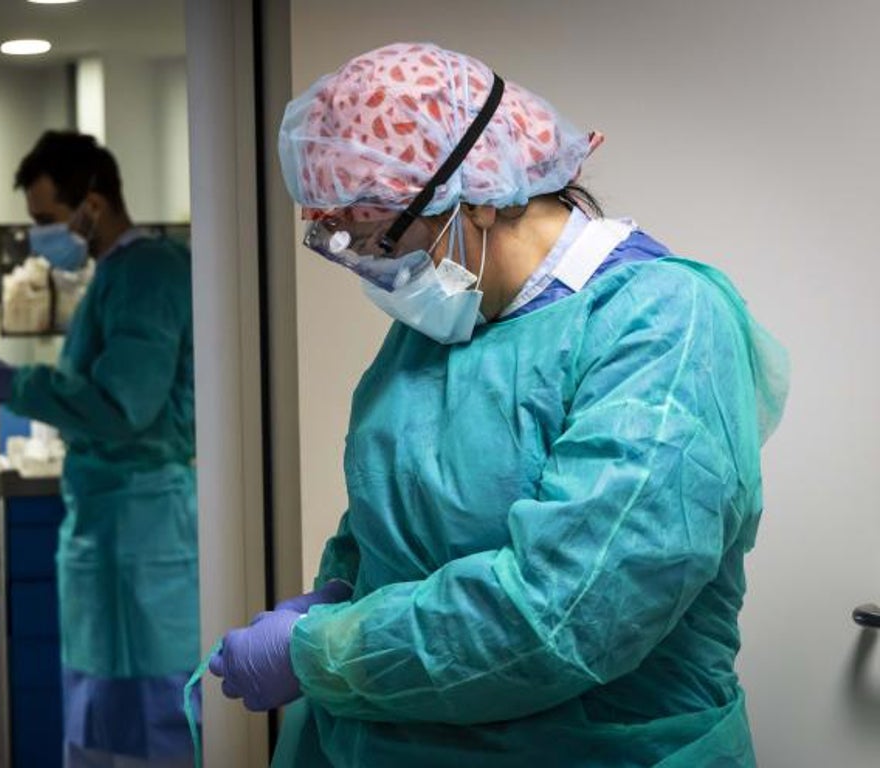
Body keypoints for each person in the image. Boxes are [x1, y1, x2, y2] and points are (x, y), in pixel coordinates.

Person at [209, 43, 789, 767]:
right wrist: (339, 590)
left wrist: (324, 650)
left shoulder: (664, 326)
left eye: (380, 236)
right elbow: (390, 515)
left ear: (479, 196)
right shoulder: (448, 319)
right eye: (345, 243)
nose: (373, 266)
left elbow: (566, 615)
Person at [0, 131, 198, 768]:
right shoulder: (118, 274)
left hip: (143, 527)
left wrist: (23, 385)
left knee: (153, 718)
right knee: (102, 712)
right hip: (112, 524)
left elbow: (127, 404)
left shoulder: (149, 271)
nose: (41, 235)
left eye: (46, 220)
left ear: (91, 204)